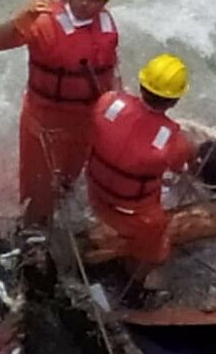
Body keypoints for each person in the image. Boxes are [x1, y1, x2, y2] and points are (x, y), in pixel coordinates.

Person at [0, 0, 120, 226]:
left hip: (84, 120)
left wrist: (116, 107)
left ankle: (61, 214)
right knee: (39, 191)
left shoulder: (106, 25)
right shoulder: (42, 21)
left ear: (104, 2)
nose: (85, 2)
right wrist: (19, 21)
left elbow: (110, 70)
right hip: (45, 120)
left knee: (70, 178)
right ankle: (32, 231)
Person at [85, 53, 193, 309]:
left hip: (96, 195)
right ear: (174, 100)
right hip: (134, 215)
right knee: (157, 250)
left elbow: (118, 116)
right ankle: (134, 290)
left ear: (142, 85)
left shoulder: (107, 102)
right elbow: (180, 169)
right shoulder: (174, 141)